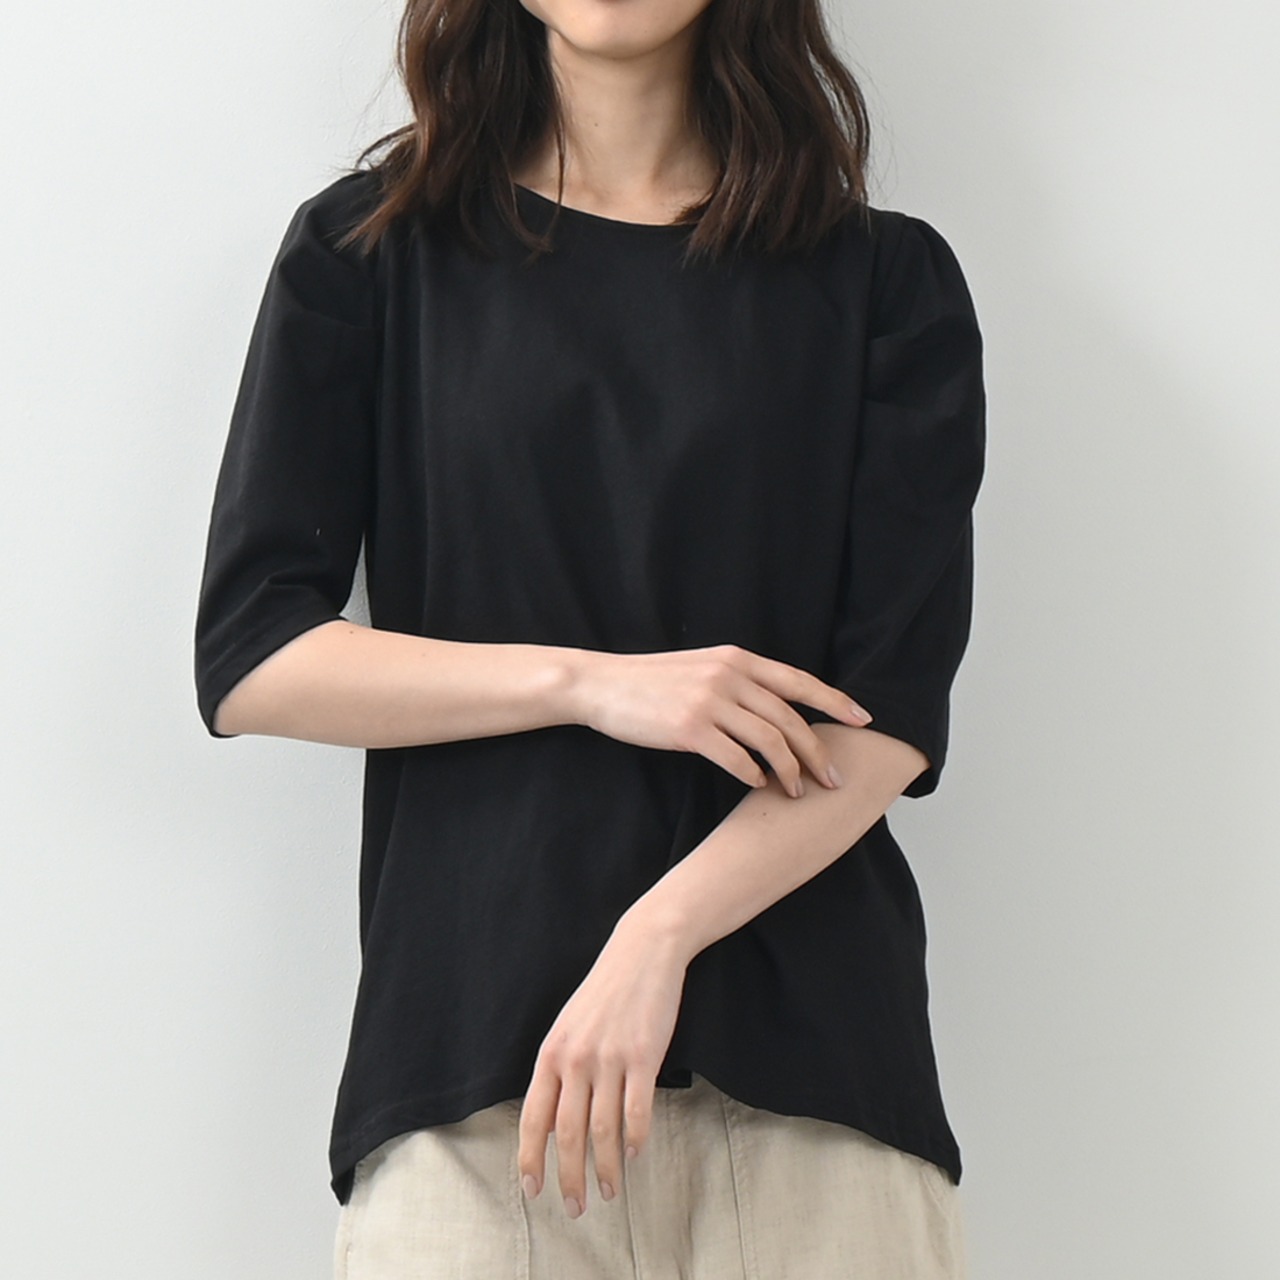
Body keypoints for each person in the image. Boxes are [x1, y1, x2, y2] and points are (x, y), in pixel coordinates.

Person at [193, 0, 987, 1274]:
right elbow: (253, 655)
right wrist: (592, 684)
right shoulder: (367, 252)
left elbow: (886, 712)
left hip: (812, 1079)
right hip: (471, 1078)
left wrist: (653, 938)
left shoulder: (882, 279)